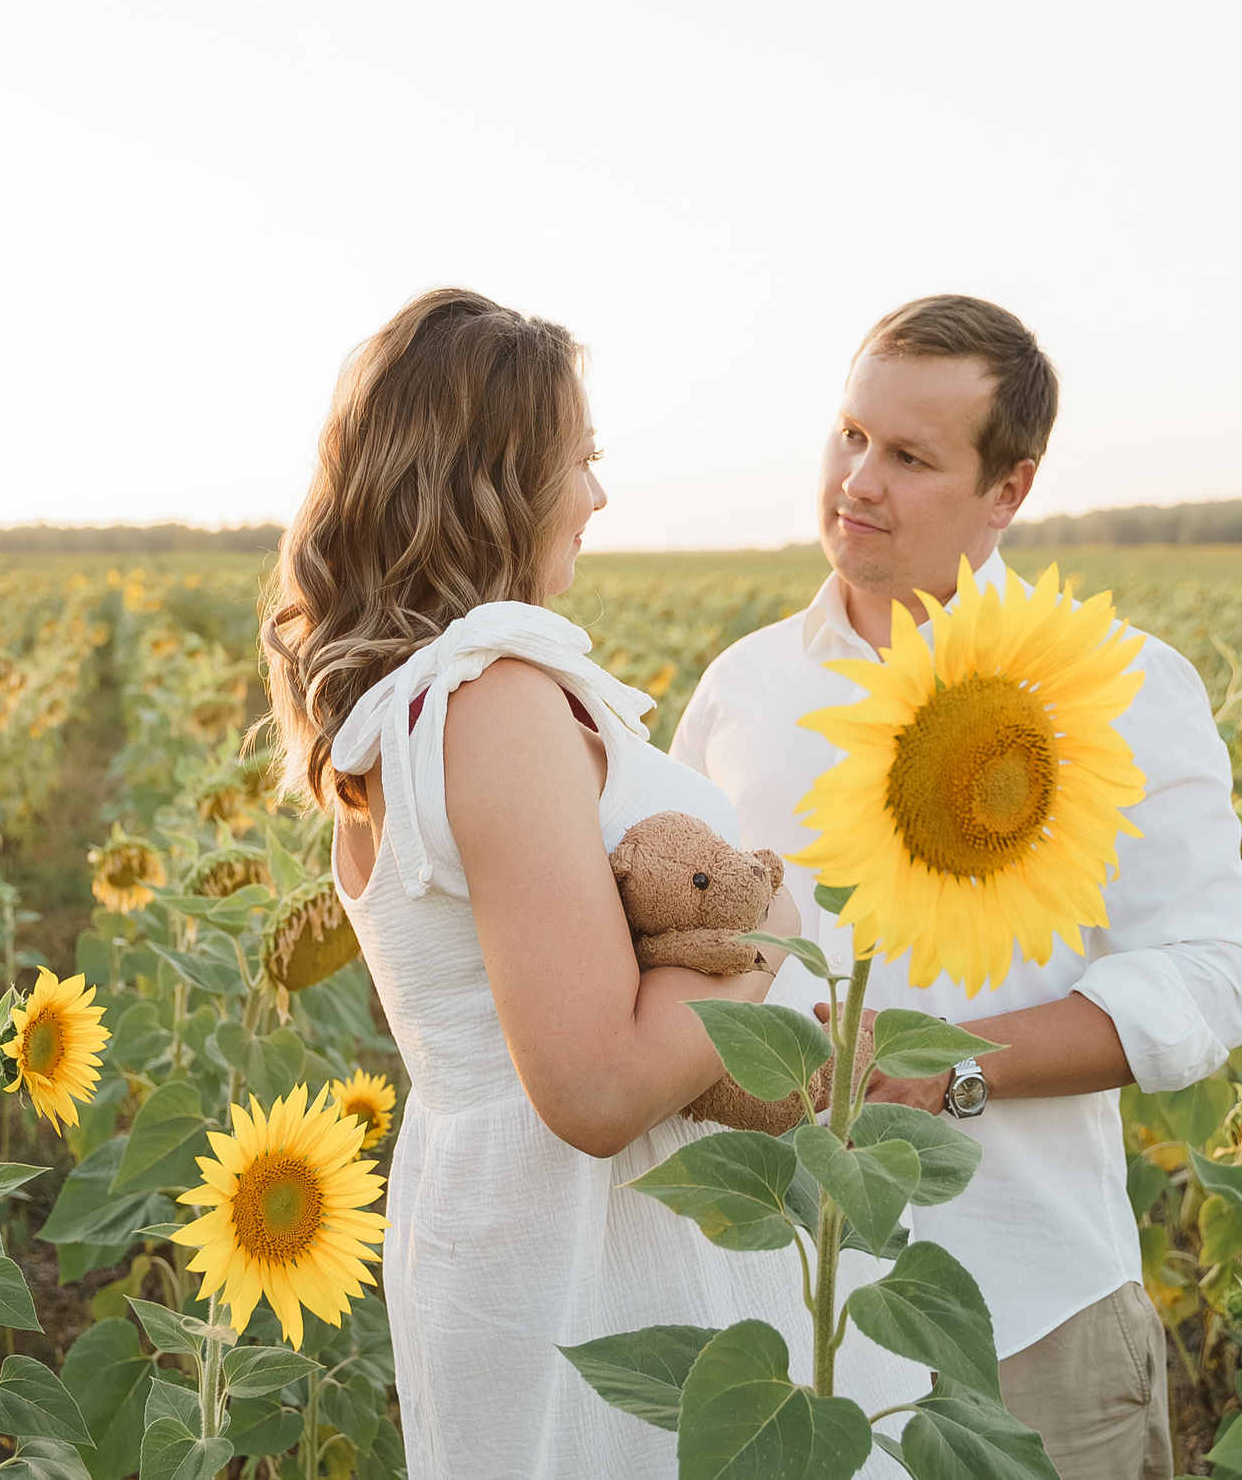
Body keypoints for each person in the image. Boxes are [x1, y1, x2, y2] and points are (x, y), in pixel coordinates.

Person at [260, 289, 922, 1479]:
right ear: (501, 479)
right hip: (602, 1255)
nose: (599, 497)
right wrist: (765, 924)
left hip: (516, 1229)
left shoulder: (408, 709)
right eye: (583, 461)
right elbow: (598, 1084)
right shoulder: (491, 700)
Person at [671, 294, 1242, 1480]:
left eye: (909, 456)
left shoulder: (1121, 690)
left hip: (1026, 1311)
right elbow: (685, 943)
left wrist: (951, 1065)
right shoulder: (746, 691)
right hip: (788, 1323)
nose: (858, 480)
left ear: (1009, 489)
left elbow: (1204, 980)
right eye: (849, 435)